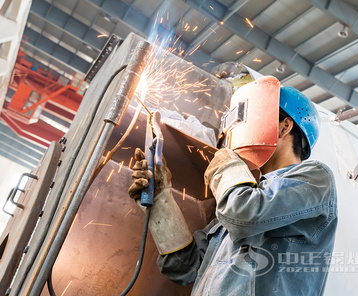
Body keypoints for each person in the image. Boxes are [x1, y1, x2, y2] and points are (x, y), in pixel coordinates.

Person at [128, 85, 338, 296]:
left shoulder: (315, 179)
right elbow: (184, 267)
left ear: (284, 127)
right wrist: (161, 200)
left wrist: (226, 163)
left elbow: (243, 213)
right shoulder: (243, 197)